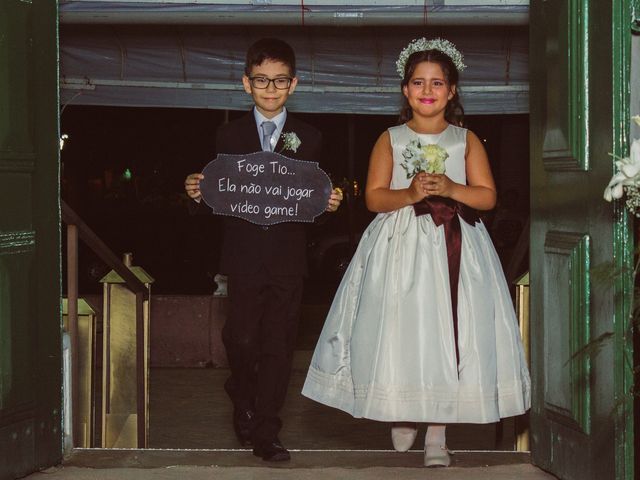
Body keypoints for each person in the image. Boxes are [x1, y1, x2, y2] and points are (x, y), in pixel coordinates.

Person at [302, 38, 530, 468]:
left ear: (452, 90)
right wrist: (409, 192)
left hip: (455, 247)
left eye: (438, 83)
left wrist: (450, 188)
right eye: (418, 83)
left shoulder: (466, 141)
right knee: (402, 328)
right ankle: (403, 409)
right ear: (406, 91)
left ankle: (438, 434)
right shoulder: (389, 139)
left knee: (450, 332)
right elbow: (372, 198)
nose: (428, 90)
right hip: (400, 246)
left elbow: (486, 196)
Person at [184, 38, 342, 462]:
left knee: (278, 345)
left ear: (293, 84)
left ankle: (267, 432)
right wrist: (195, 192)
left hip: (289, 261)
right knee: (242, 337)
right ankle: (241, 387)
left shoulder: (310, 137)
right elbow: (218, 194)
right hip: (242, 257)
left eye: (278, 81)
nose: (270, 89)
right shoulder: (227, 134)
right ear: (246, 83)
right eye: (261, 81)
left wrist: (329, 205)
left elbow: (312, 205)